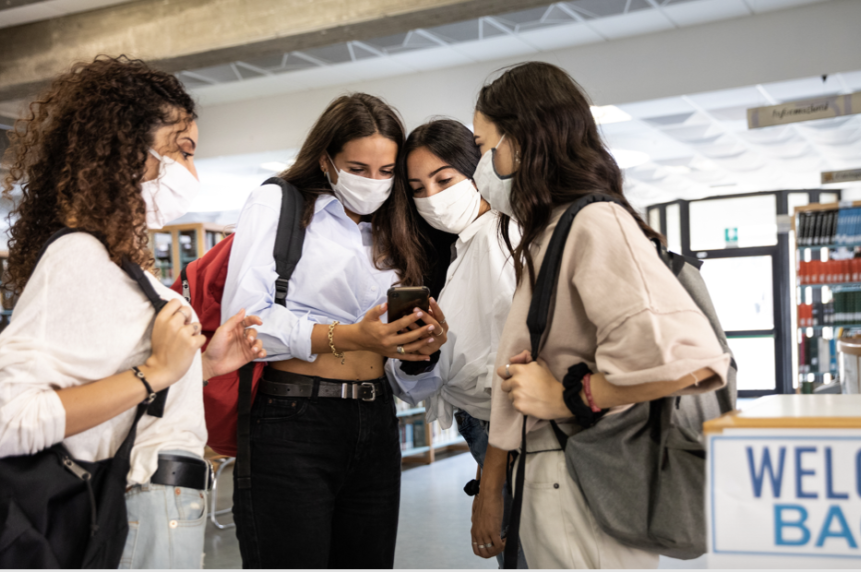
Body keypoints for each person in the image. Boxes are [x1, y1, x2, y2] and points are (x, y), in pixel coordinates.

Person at [0, 56, 266, 569]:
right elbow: (5, 421)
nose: (191, 171)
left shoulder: (113, 264)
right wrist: (157, 371)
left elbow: (115, 389)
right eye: (180, 150)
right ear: (121, 146)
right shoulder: (80, 256)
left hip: (162, 501)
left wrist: (198, 369)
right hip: (141, 503)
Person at [475, 62, 732, 569]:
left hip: (581, 472)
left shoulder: (594, 223)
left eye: (489, 148)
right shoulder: (550, 233)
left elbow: (694, 364)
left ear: (523, 140)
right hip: (554, 468)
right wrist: (493, 479)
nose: (486, 165)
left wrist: (570, 396)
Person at [222, 93, 449, 569]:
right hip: (294, 417)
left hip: (376, 418)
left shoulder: (396, 227)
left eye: (387, 172)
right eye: (358, 169)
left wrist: (418, 351)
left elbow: (410, 382)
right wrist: (352, 336)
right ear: (326, 160)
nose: (374, 183)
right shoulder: (280, 204)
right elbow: (245, 322)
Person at [400, 119, 525, 566]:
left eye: (443, 179)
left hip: (509, 432)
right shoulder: (454, 250)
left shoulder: (505, 238)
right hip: (481, 427)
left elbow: (515, 366)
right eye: (417, 187)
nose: (431, 196)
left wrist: (491, 483)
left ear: (476, 170)